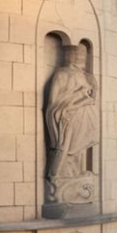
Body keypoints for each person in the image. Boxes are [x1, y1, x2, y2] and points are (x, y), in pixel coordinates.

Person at [45, 45, 100, 184]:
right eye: (74, 53)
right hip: (67, 116)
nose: (78, 56)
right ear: (66, 54)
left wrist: (89, 94)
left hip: (82, 117)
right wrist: (76, 98)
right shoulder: (62, 74)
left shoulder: (84, 75)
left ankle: (75, 175)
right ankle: (54, 176)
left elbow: (92, 97)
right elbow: (54, 101)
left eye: (81, 53)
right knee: (64, 147)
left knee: (79, 150)